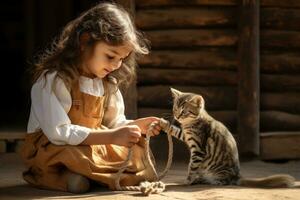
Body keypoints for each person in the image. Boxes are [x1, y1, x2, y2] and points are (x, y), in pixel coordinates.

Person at [21, 2, 162, 194]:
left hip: (91, 144)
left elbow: (114, 124)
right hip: (55, 147)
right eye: (110, 56)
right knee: (73, 154)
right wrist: (111, 137)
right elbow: (59, 133)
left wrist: (136, 126)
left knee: (137, 151)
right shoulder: (53, 80)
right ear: (84, 41)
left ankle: (87, 176)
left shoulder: (107, 84)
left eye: (122, 59)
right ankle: (60, 176)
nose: (116, 65)